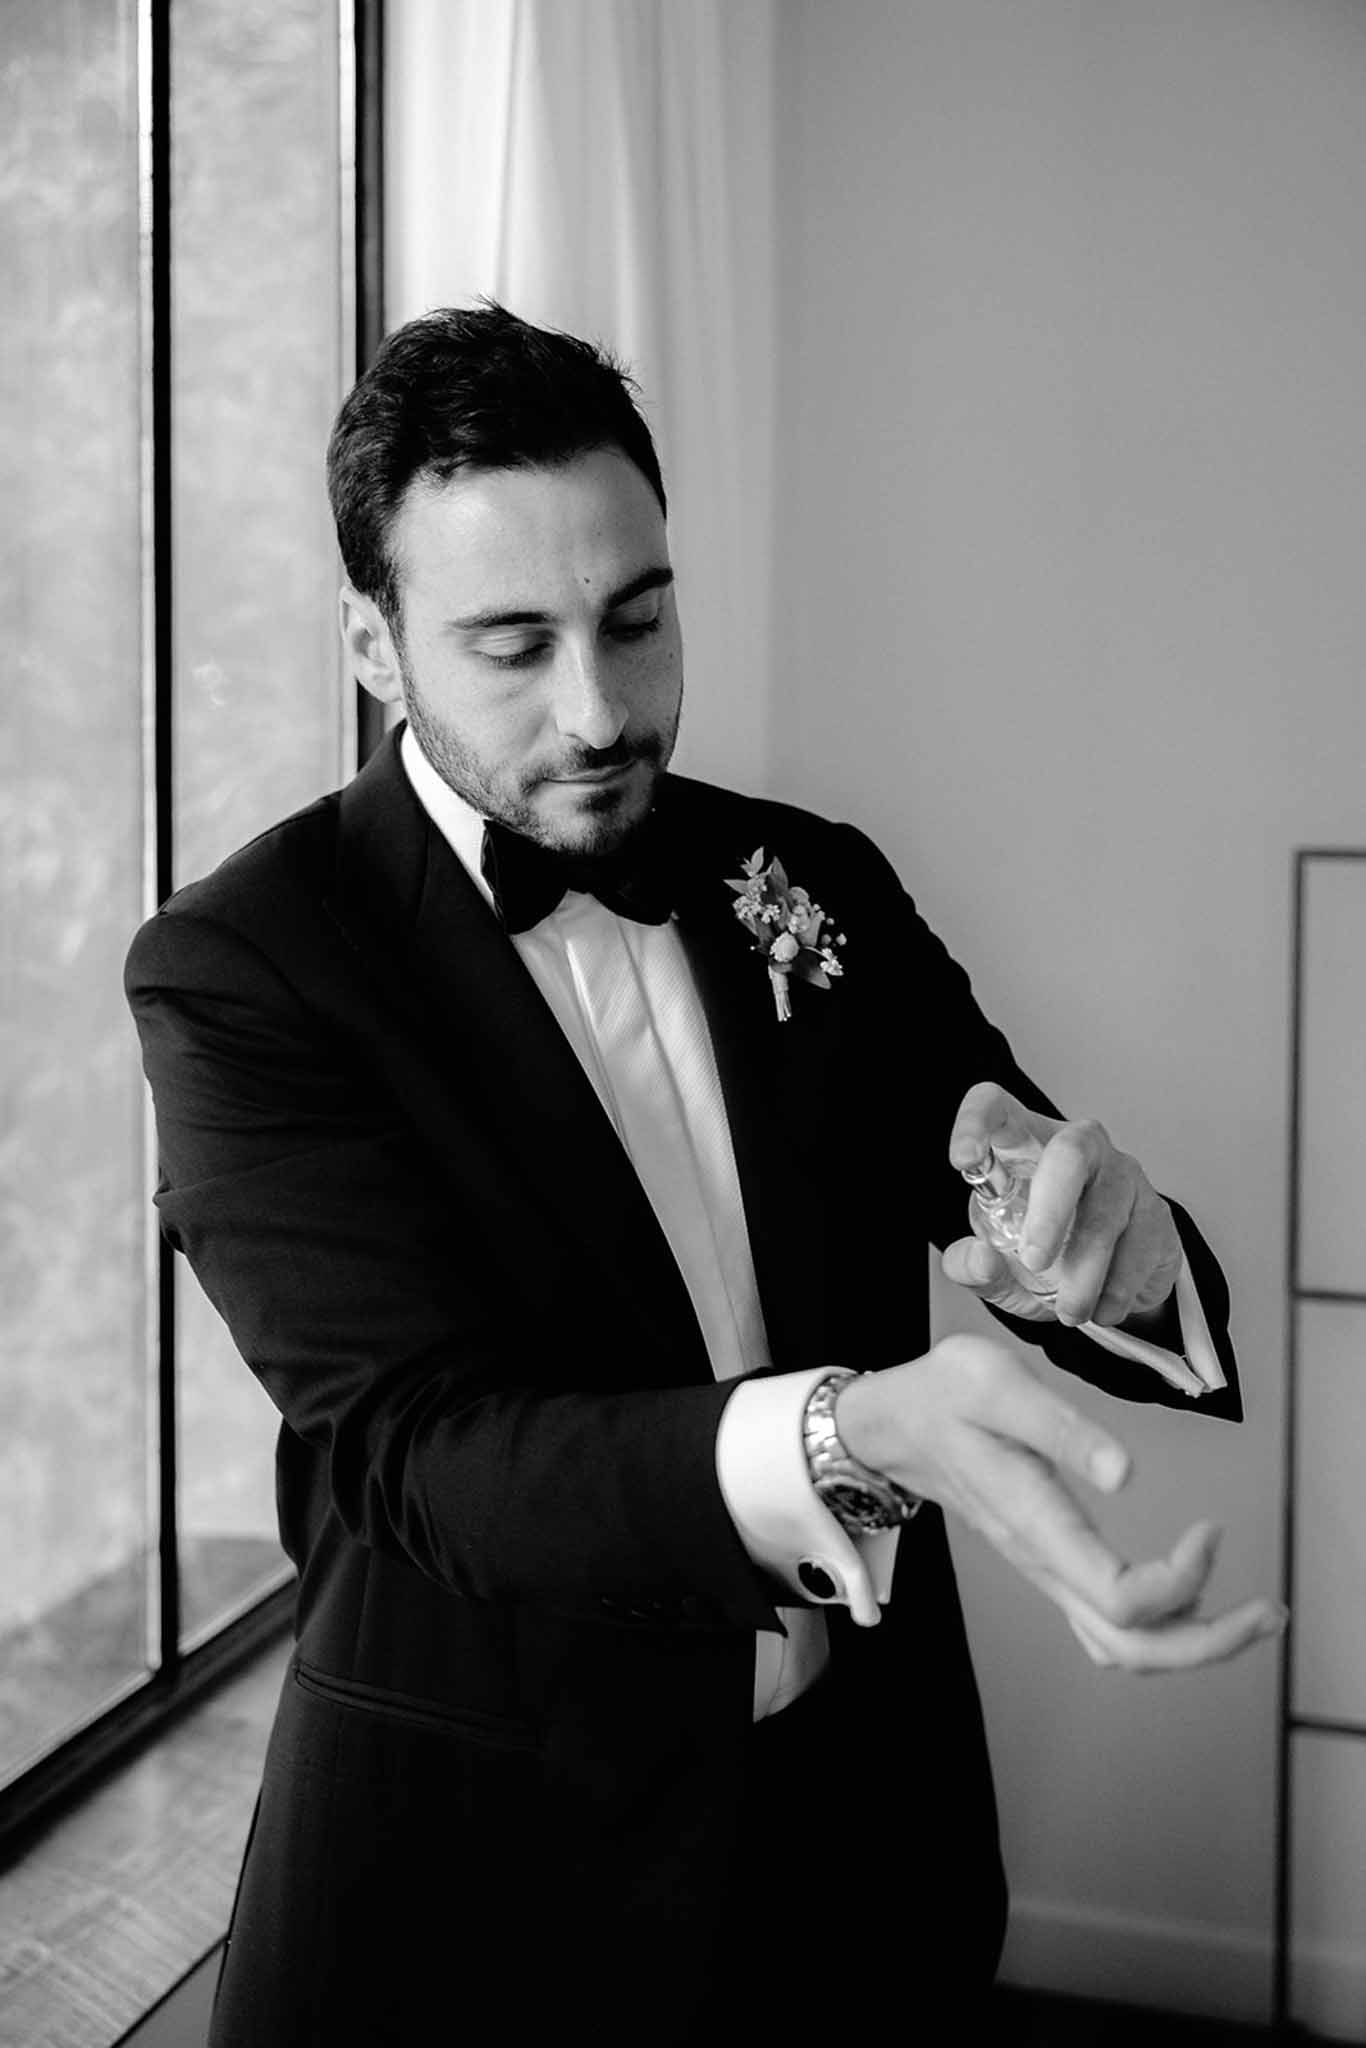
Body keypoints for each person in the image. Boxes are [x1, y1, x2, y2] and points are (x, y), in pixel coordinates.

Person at [124, 303, 1280, 2047]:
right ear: (374, 641)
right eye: (509, 645)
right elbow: (418, 1451)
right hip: (477, 1896)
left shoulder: (800, 876)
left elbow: (1004, 1180)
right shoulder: (244, 967)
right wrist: (850, 1432)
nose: (598, 711)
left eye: (637, 620)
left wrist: (1101, 1259)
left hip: (858, 1849)